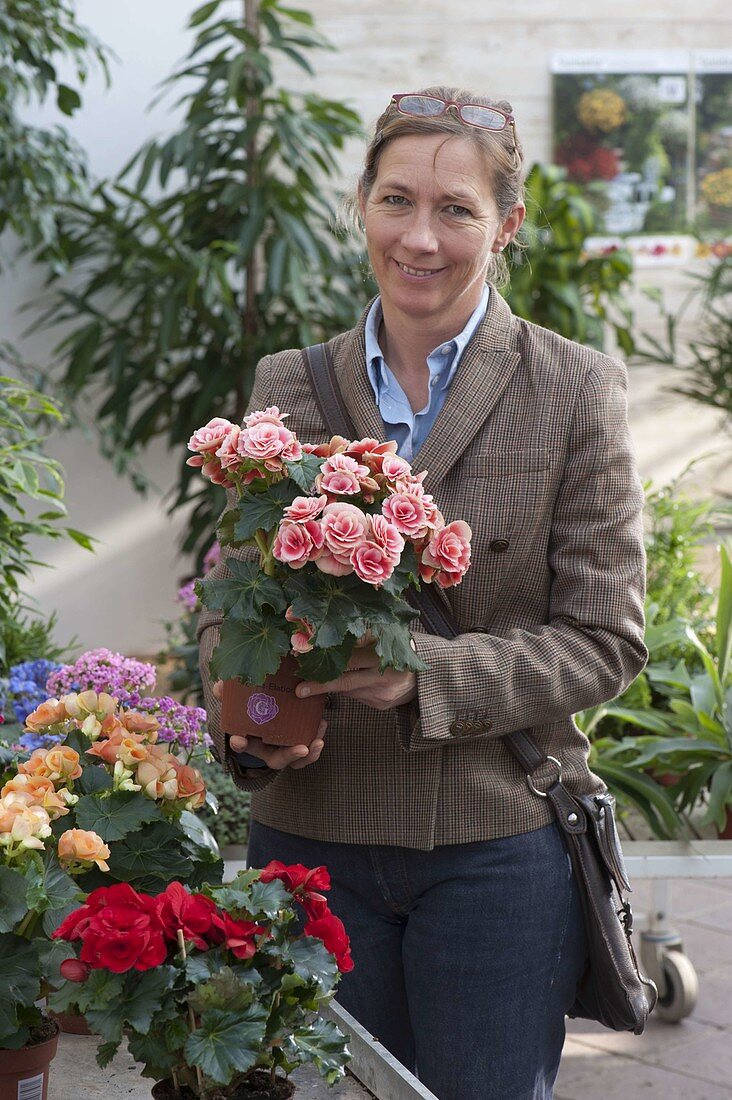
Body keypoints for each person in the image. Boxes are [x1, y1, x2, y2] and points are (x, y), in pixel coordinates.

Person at [197, 87, 647, 1100]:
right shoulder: (292, 382)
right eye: (396, 199)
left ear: (508, 225)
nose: (421, 237)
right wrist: (258, 718)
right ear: (361, 205)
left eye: (457, 209)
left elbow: (606, 638)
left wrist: (421, 675)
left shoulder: (571, 388)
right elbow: (232, 601)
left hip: (492, 853)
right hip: (310, 838)